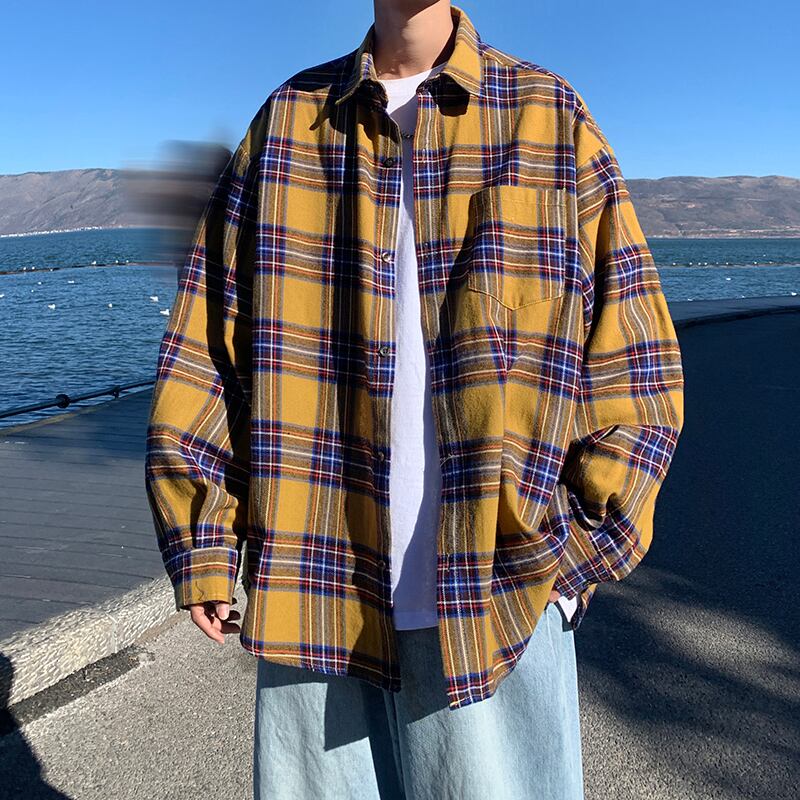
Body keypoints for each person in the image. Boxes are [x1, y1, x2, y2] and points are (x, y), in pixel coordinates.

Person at [144, 2, 685, 798]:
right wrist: (205, 538)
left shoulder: (547, 117)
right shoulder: (288, 123)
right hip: (316, 581)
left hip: (500, 587)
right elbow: (206, 343)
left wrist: (579, 550)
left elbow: (635, 353)